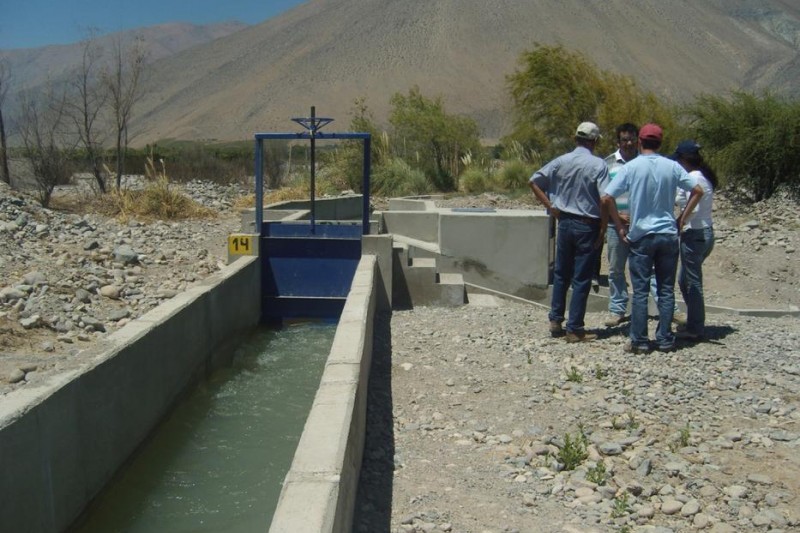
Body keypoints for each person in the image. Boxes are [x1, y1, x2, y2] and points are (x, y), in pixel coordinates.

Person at [602, 123, 704, 354]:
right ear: (660, 143)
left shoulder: (632, 167)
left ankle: (639, 341)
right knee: (666, 289)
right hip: (668, 234)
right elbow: (698, 191)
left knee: (640, 290)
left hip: (641, 235)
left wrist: (618, 225)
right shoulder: (672, 166)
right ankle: (665, 339)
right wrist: (681, 220)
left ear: (639, 141)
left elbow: (607, 198)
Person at [529, 122, 608, 343]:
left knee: (561, 274)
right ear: (594, 141)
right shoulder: (599, 165)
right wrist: (604, 226)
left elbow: (534, 181)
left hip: (564, 222)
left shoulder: (561, 161)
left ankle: (556, 320)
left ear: (576, 139)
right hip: (587, 224)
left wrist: (551, 206)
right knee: (581, 277)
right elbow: (604, 198)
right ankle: (574, 329)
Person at [672, 140, 717, 340]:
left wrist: (680, 221)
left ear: (684, 159)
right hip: (705, 232)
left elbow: (694, 206)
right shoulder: (703, 176)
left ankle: (696, 327)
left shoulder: (693, 178)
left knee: (692, 282)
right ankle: (694, 320)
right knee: (684, 279)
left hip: (694, 233)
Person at [599, 123, 638, 327]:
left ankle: (653, 309)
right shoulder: (608, 164)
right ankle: (617, 309)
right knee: (616, 268)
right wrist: (617, 218)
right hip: (616, 225)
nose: (629, 143)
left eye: (632, 139)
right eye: (624, 139)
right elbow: (604, 196)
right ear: (618, 142)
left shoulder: (644, 163)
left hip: (641, 225)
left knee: (644, 268)